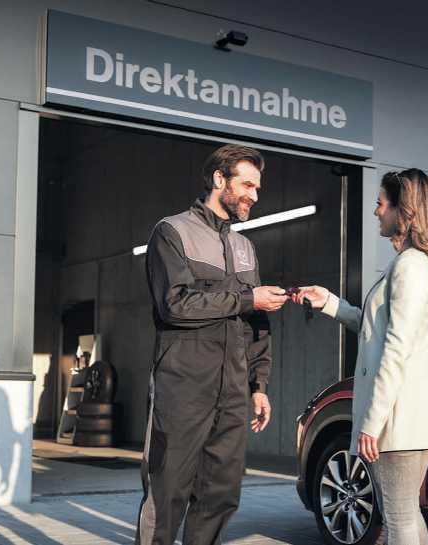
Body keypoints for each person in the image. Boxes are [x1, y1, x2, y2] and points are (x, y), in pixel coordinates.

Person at [295, 169, 428, 545]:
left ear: (405, 210)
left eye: (380, 203)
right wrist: (330, 303)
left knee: (398, 517)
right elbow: (376, 329)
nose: (376, 212)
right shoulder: (412, 265)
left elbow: (395, 348)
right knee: (406, 513)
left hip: (401, 417)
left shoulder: (410, 266)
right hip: (410, 413)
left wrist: (373, 421)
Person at [135, 144, 288, 545]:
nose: (255, 195)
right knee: (167, 492)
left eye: (257, 187)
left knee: (220, 494)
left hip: (232, 391)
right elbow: (174, 305)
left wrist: (258, 386)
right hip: (182, 388)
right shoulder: (172, 232)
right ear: (219, 179)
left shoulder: (244, 247)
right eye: (247, 185)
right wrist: (247, 299)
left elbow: (255, 323)